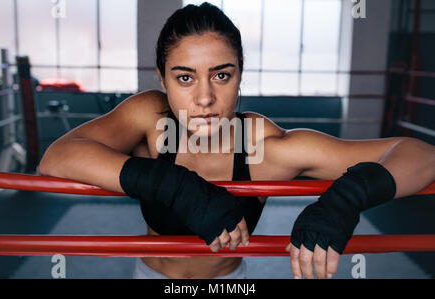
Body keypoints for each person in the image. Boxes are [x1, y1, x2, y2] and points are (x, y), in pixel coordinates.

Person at [38, 3, 435, 279]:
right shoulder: (150, 118)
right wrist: (178, 187)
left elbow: (421, 154)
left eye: (222, 75)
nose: (205, 98)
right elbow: (57, 157)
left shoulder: (263, 147)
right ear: (162, 79)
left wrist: (347, 197)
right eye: (185, 77)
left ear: (240, 75)